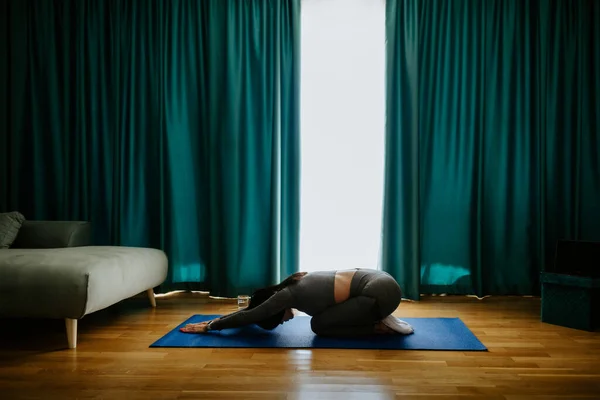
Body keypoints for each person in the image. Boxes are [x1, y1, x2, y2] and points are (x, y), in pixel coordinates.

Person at [180, 268, 415, 336]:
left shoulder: (286, 296)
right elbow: (255, 312)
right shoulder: (294, 283)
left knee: (319, 325)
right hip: (382, 282)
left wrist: (212, 326)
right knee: (321, 320)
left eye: (276, 320)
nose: (282, 323)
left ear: (275, 309)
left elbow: (252, 314)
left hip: (380, 293)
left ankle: (379, 325)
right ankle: (376, 316)